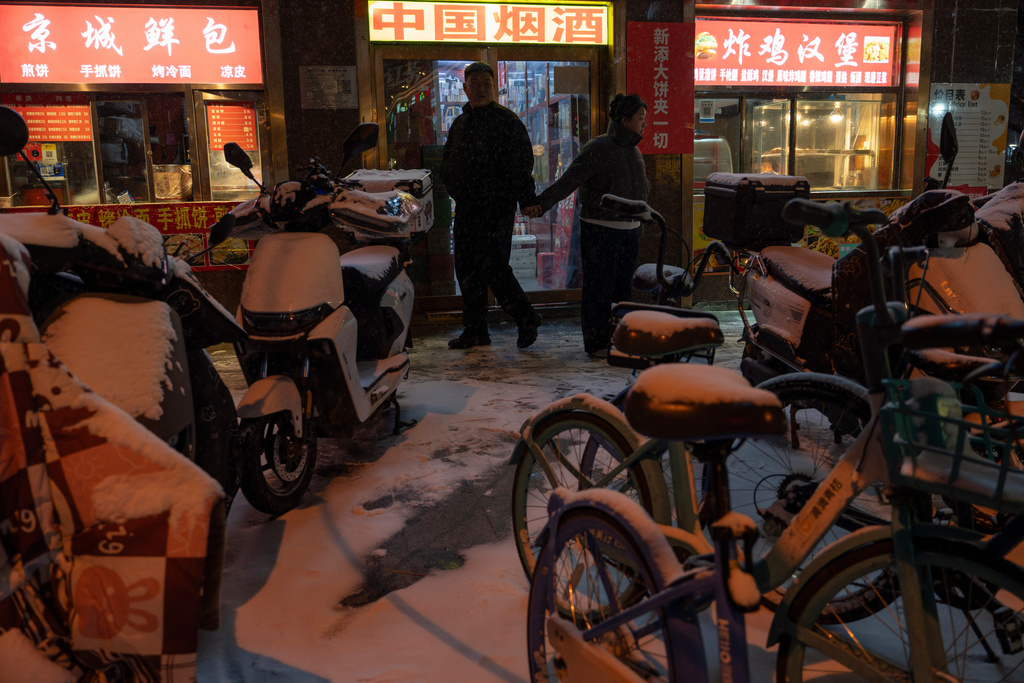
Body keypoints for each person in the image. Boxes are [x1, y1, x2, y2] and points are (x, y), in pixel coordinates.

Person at [522, 93, 649, 357]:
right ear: (625, 120)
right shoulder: (598, 147)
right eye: (640, 119)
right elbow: (569, 180)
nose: (644, 125)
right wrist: (541, 204)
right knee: (598, 290)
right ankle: (596, 343)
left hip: (630, 232)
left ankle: (620, 340)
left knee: (622, 291)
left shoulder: (634, 150)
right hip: (600, 230)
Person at [440, 61, 541, 350]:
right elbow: (448, 163)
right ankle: (475, 331)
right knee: (467, 270)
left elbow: (522, 163)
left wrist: (526, 199)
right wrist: (455, 188)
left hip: (496, 208)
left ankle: (526, 317)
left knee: (494, 268)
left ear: (494, 87)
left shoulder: (506, 121)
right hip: (467, 208)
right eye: (475, 83)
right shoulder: (460, 123)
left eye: (486, 82)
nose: (481, 88)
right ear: (465, 88)